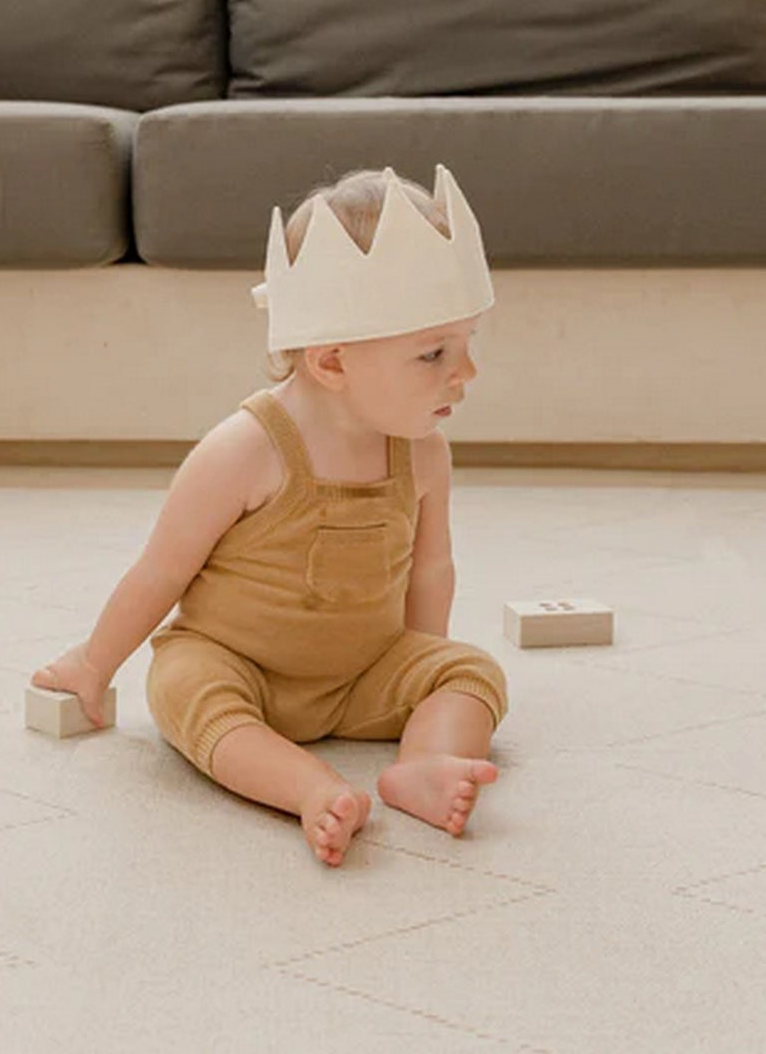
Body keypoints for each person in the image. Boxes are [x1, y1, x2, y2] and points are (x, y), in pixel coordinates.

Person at [32, 165, 509, 868]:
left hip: (360, 669)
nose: (465, 373)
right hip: (238, 664)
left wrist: (420, 670)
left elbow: (432, 567)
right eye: (435, 353)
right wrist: (92, 663)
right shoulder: (245, 451)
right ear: (330, 361)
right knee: (182, 688)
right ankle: (309, 789)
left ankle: (424, 765)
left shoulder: (424, 454)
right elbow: (162, 570)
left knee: (473, 673)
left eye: (466, 344)